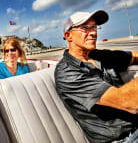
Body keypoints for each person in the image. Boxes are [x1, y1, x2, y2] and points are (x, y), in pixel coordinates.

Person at [55, 10, 138, 143]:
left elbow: (132, 56)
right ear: (68, 35)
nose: (93, 32)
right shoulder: (67, 72)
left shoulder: (98, 55)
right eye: (85, 28)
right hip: (122, 139)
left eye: (94, 27)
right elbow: (130, 101)